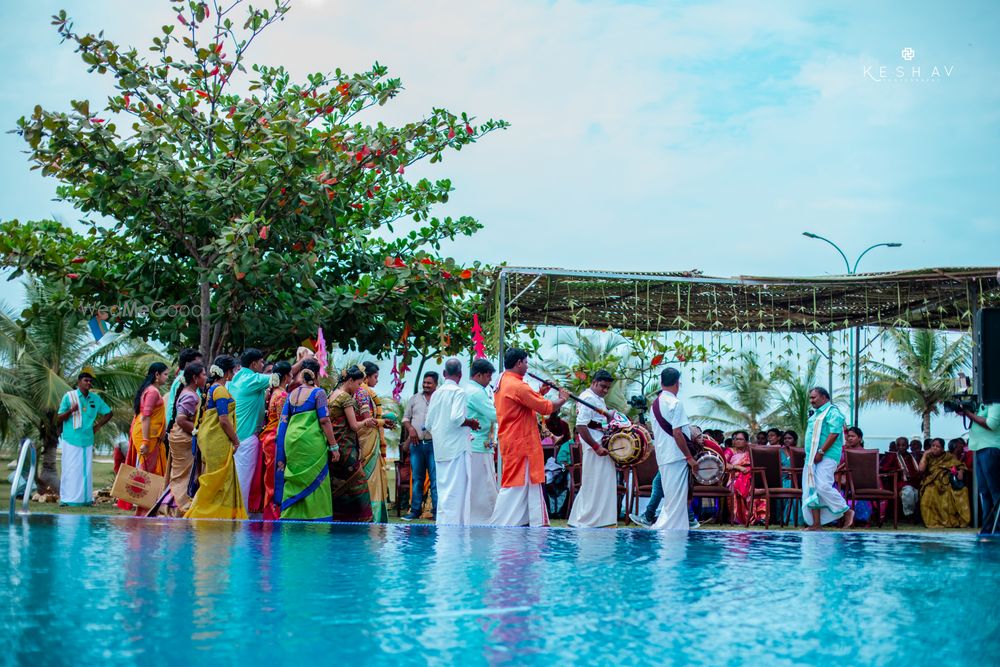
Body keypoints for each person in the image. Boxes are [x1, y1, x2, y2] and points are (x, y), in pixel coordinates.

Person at [490, 349, 569, 526]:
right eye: (525, 362)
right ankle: (505, 522)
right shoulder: (517, 385)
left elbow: (523, 406)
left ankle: (523, 521)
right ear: (518, 363)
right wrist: (562, 399)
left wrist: (540, 392)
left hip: (513, 440)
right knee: (516, 484)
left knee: (519, 483)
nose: (527, 366)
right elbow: (546, 408)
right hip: (522, 443)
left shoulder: (502, 380)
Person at [185, 355, 248, 520]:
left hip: (210, 440)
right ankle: (209, 513)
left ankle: (217, 513)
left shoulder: (211, 388)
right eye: (233, 370)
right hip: (217, 441)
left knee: (217, 478)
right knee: (219, 480)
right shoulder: (219, 390)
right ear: (227, 372)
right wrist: (236, 440)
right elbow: (224, 420)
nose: (234, 374)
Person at [274, 359, 336, 521]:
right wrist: (334, 446)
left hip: (291, 442)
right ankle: (316, 516)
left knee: (294, 478)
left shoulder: (291, 394)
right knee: (316, 479)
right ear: (316, 375)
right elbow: (324, 420)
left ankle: (291, 515)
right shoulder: (318, 393)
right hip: (311, 443)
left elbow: (284, 421)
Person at [426, 358, 480, 525]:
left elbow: (428, 424)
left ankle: (443, 527)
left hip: (441, 450)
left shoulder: (436, 394)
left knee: (444, 492)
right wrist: (471, 423)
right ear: (460, 374)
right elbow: (457, 418)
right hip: (457, 449)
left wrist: (442, 434)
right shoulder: (458, 392)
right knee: (457, 492)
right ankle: (455, 528)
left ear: (443, 374)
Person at [643, 367, 698, 530]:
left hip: (663, 456)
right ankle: (668, 530)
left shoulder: (655, 404)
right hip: (677, 456)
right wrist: (689, 457)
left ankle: (667, 529)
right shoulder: (675, 403)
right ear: (677, 383)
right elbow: (678, 433)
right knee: (677, 501)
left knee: (672, 500)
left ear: (661, 382)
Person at [117, 362, 170, 512]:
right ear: (157, 375)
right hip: (147, 435)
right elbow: (146, 417)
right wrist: (146, 441)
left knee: (150, 470)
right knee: (147, 471)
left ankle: (148, 506)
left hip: (151, 434)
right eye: (165, 374)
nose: (167, 377)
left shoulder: (151, 390)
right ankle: (144, 507)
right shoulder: (152, 392)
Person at [568, 370, 618, 528]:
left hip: (600, 445)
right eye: (602, 386)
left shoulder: (596, 398)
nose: (605, 390)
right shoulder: (588, 397)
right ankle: (589, 520)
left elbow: (595, 423)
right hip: (594, 448)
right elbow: (581, 425)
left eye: (607, 388)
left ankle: (587, 519)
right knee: (595, 485)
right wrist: (596, 447)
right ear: (594, 382)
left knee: (598, 484)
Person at [328, 365, 378, 522]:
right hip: (347, 449)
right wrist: (367, 422)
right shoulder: (345, 398)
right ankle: (362, 520)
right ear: (350, 380)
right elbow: (354, 425)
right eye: (357, 384)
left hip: (334, 446)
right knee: (358, 482)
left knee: (338, 484)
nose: (358, 388)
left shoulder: (332, 395)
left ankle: (339, 519)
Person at [56, 370, 113, 506]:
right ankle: (67, 500)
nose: (89, 383)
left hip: (87, 439)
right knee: (70, 469)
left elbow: (109, 413)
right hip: (71, 439)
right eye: (85, 380)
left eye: (90, 381)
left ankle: (85, 500)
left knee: (85, 471)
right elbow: (58, 418)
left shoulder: (95, 398)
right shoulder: (69, 397)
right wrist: (71, 410)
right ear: (78, 382)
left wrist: (97, 426)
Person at [801, 387, 854, 530]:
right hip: (811, 458)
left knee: (822, 486)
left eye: (814, 397)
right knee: (812, 489)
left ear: (824, 397)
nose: (811, 401)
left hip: (826, 456)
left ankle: (846, 511)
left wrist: (821, 451)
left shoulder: (832, 412)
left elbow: (834, 433)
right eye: (810, 398)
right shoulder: (816, 415)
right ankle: (816, 524)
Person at [163, 362, 206, 515]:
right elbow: (181, 419)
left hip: (181, 437)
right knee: (184, 477)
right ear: (195, 378)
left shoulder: (190, 392)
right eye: (203, 375)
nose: (206, 378)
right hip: (184, 438)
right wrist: (196, 432)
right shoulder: (190, 395)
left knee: (183, 475)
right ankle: (179, 507)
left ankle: (174, 505)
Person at [357, 361, 394, 523]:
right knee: (370, 478)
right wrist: (383, 422)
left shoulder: (362, 391)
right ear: (367, 377)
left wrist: (381, 421)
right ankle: (372, 515)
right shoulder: (364, 392)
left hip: (368, 439)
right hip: (367, 440)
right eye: (376, 377)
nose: (377, 380)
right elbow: (367, 420)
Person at [254, 361, 291, 520]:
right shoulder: (282, 395)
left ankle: (271, 510)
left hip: (269, 436)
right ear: (286, 376)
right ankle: (273, 512)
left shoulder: (273, 392)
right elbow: (284, 421)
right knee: (274, 477)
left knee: (271, 476)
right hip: (276, 437)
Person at [401, 371, 439, 521]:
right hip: (416, 445)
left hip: (434, 445)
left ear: (436, 384)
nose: (426, 385)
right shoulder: (415, 399)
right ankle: (414, 511)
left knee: (435, 480)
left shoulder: (439, 399)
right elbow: (405, 418)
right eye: (424, 382)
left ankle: (437, 512)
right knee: (417, 478)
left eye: (429, 383)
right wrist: (410, 429)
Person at [465, 358, 499, 523]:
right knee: (482, 484)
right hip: (478, 445)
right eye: (488, 376)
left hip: (478, 444)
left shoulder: (470, 390)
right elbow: (495, 415)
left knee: (480, 482)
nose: (490, 380)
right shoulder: (477, 393)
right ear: (478, 375)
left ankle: (478, 516)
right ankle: (482, 518)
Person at [960, 401, 1000, 534]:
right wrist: (963, 411)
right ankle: (988, 528)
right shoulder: (983, 404)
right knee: (984, 491)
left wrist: (969, 414)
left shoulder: (996, 402)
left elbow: (991, 424)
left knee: (995, 491)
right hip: (980, 448)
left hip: (991, 448)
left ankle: (997, 528)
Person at [918, 437, 971, 528]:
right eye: (933, 446)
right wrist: (924, 455)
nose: (934, 448)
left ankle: (953, 521)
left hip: (947, 481)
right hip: (932, 481)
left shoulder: (948, 456)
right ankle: (933, 522)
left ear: (942, 448)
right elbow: (921, 469)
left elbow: (960, 465)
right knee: (930, 493)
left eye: (937, 446)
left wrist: (960, 472)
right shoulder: (928, 456)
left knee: (958, 492)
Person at [723, 430, 767, 526]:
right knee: (735, 487)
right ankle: (737, 518)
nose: (737, 441)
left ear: (746, 441)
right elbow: (723, 464)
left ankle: (760, 518)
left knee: (760, 488)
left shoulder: (751, 451)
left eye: (740, 439)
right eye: (736, 439)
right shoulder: (730, 451)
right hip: (734, 476)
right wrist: (738, 467)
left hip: (751, 476)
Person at [836, 426, 872, 525]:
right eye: (848, 436)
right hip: (841, 481)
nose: (850, 438)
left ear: (860, 438)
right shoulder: (843, 450)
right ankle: (836, 519)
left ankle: (857, 518)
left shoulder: (863, 453)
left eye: (853, 436)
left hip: (858, 482)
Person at [165, 348, 202, 427]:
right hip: (181, 429)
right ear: (187, 364)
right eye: (197, 364)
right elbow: (181, 417)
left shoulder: (191, 380)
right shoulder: (182, 381)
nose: (200, 368)